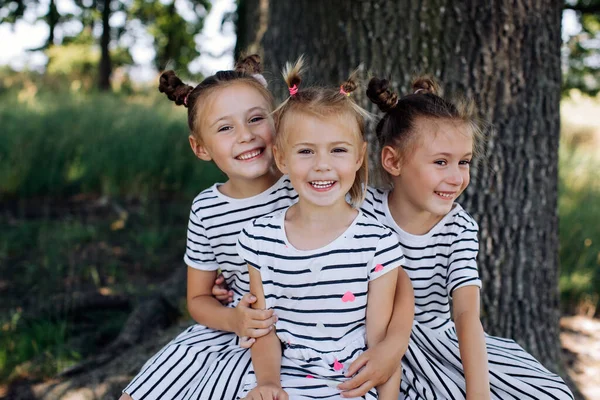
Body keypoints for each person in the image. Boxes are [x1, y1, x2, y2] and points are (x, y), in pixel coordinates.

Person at [361, 75, 574, 399]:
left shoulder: (458, 229)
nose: (456, 177)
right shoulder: (363, 210)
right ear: (393, 161)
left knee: (550, 393)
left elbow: (465, 313)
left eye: (464, 162)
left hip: (443, 346)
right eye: (441, 162)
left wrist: (479, 393)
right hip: (374, 339)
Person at [120, 54, 292, 400]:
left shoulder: (303, 184)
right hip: (237, 327)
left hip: (310, 325)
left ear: (278, 122)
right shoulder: (207, 209)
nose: (245, 135)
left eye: (256, 119)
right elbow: (198, 299)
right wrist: (234, 321)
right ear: (200, 148)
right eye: (225, 128)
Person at [236, 58, 405, 400]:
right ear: (281, 159)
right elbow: (264, 330)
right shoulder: (260, 239)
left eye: (338, 150)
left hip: (352, 384)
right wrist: (268, 383)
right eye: (306, 151)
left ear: (359, 157)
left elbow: (382, 346)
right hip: (284, 376)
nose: (322, 165)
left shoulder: (378, 244)